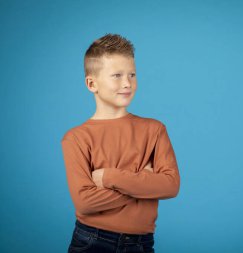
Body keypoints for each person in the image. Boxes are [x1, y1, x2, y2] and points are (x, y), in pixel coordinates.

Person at [60, 33, 181, 253]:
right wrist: (144, 181)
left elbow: (170, 185)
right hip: (91, 240)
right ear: (91, 83)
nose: (127, 83)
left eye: (132, 75)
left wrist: (110, 177)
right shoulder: (76, 138)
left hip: (141, 243)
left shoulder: (154, 129)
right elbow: (85, 203)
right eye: (117, 75)